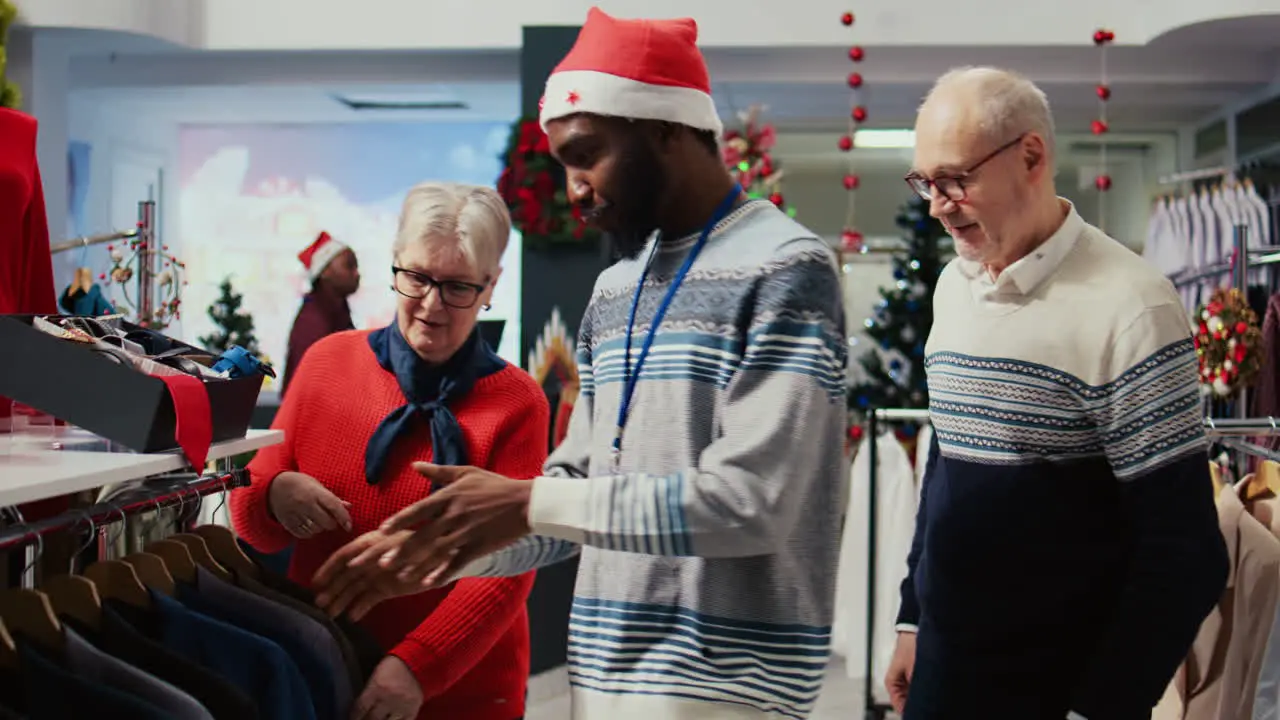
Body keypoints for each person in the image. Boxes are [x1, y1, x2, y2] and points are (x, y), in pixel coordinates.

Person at [312, 8, 848, 720]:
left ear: (665, 131)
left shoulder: (787, 269)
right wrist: (450, 545)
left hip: (729, 693)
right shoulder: (616, 288)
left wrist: (524, 501)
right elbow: (579, 492)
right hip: (599, 684)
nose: (574, 189)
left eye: (586, 154)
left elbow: (753, 503)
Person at [880, 67, 1229, 720]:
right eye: (925, 181)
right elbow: (948, 466)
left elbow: (1184, 551)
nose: (935, 204)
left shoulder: (1131, 306)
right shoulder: (956, 286)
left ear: (1031, 157)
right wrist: (913, 619)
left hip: (1058, 692)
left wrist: (1099, 708)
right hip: (946, 675)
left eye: (955, 179)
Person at [229, 182, 548, 720]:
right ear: (396, 263)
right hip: (324, 668)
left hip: (464, 687)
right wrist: (275, 494)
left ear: (491, 285)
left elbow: (508, 571)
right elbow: (251, 521)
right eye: (418, 278)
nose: (432, 305)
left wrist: (418, 667)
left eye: (458, 288)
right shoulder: (328, 363)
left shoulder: (518, 404)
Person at [282, 230, 361, 397]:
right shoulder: (312, 321)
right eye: (349, 266)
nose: (357, 274)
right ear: (324, 272)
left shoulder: (337, 312)